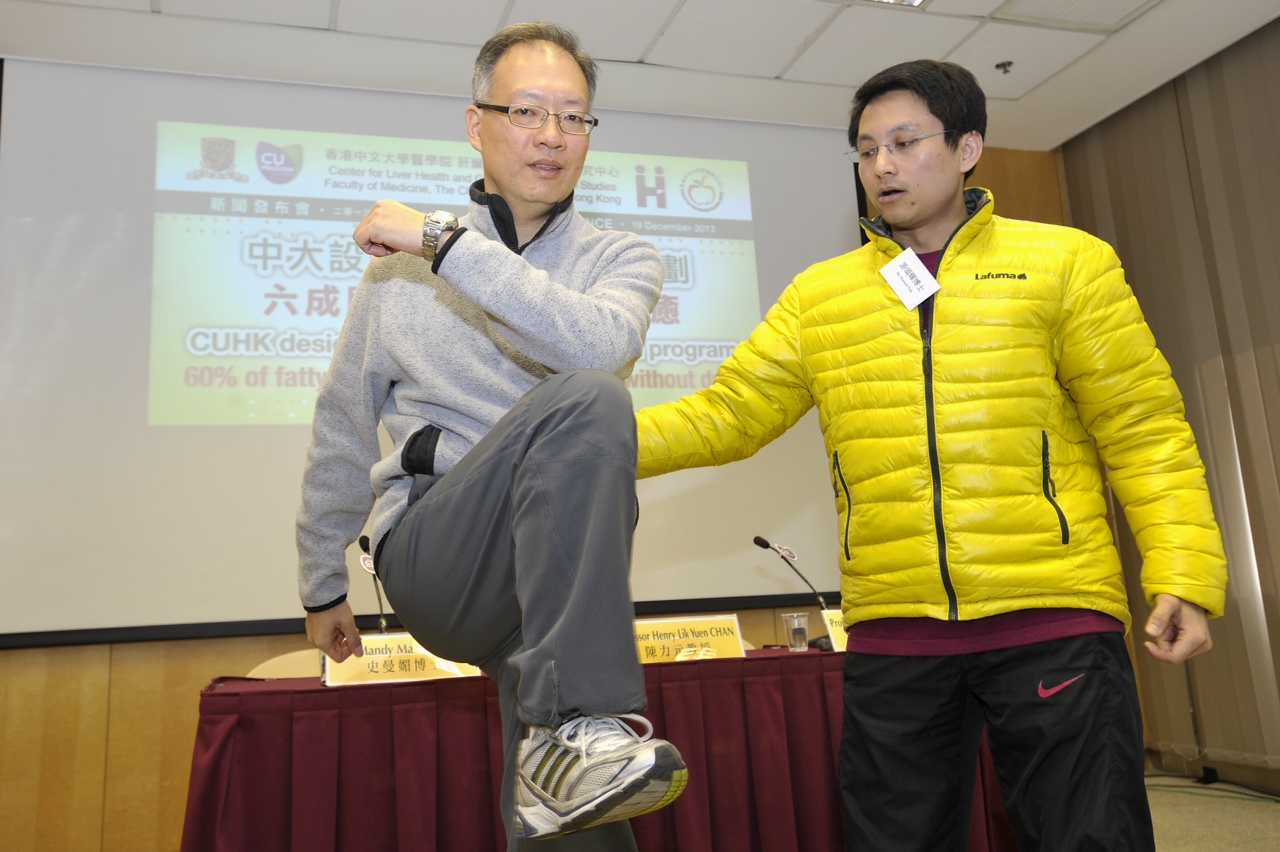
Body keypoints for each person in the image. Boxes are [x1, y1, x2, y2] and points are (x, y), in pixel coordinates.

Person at [634, 59, 1228, 851]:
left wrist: (1184, 573)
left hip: (1050, 614)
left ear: (968, 146)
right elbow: (729, 413)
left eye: (906, 142)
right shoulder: (821, 295)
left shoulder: (1068, 263)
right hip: (896, 632)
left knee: (1090, 838)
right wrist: (589, 437)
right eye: (867, 148)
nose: (882, 165)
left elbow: (1144, 426)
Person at [295, 22, 686, 850]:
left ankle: (565, 756)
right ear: (477, 125)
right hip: (438, 550)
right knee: (588, 403)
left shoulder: (626, 256)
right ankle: (576, 727)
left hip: (543, 580)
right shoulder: (396, 272)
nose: (552, 136)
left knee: (583, 805)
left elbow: (598, 344)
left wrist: (444, 243)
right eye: (527, 111)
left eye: (574, 118)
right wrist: (320, 582)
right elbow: (342, 419)